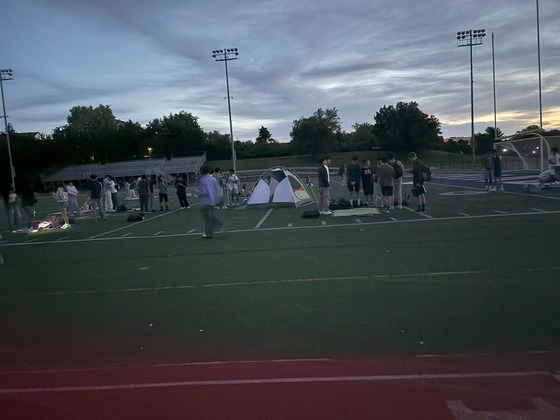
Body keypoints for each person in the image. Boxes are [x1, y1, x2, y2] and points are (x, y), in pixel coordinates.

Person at [195, 165, 223, 238]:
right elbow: (217, 189)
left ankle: (216, 226)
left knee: (207, 217)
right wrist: (217, 199)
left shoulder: (203, 180)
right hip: (212, 201)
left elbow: (204, 191)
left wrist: (197, 191)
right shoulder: (212, 179)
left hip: (205, 201)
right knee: (209, 217)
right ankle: (210, 233)